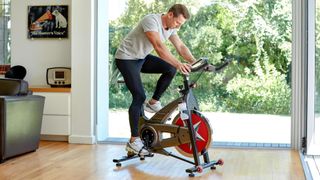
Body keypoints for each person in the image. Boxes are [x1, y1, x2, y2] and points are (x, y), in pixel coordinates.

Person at [115, 4, 196, 155]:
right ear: (170, 14)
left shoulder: (171, 28)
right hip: (126, 58)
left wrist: (194, 62)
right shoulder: (151, 20)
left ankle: (153, 103)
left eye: (181, 25)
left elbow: (181, 46)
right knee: (139, 96)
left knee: (169, 69)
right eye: (178, 23)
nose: (178, 27)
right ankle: (134, 141)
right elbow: (159, 47)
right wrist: (179, 64)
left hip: (141, 58)